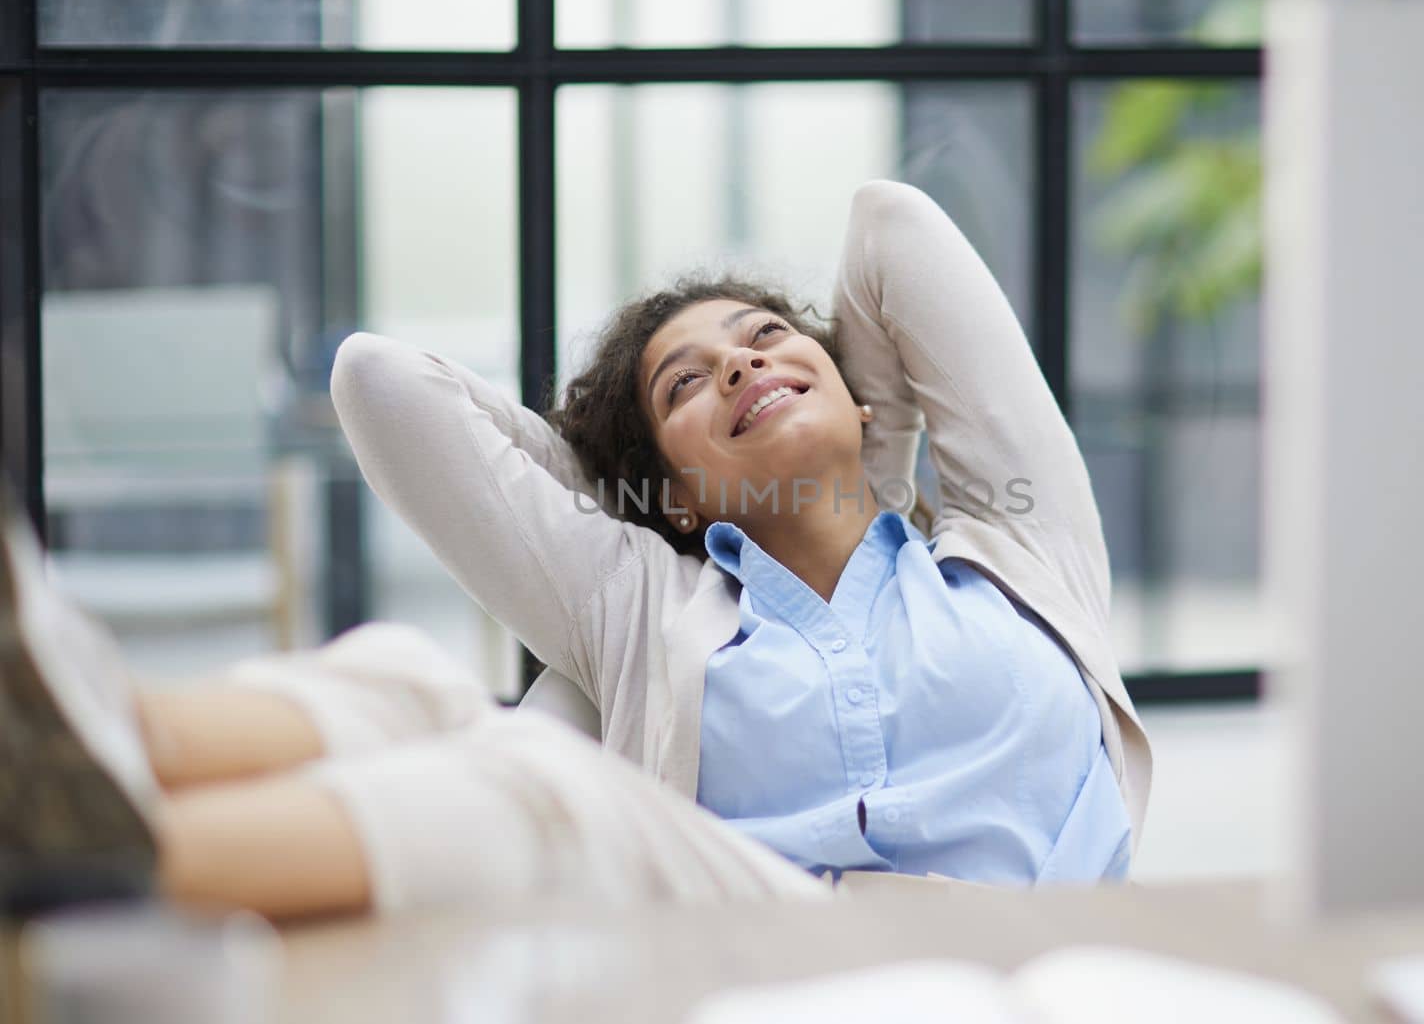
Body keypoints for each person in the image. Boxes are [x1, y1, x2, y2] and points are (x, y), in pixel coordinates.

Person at [0, 180, 1151, 921]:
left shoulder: (1017, 545)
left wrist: (862, 454)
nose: (742, 366)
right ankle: (98, 758)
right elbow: (379, 382)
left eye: (764, 340)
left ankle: (104, 839)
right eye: (686, 385)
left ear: (857, 389)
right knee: (409, 678)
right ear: (675, 497)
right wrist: (638, 495)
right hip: (762, 938)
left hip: (1023, 950)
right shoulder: (648, 601)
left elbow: (888, 223)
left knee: (553, 788)